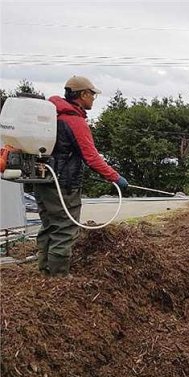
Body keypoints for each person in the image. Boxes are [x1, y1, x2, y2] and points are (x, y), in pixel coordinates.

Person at [34, 75, 128, 277]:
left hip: (43, 180)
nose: (93, 98)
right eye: (92, 94)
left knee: (49, 225)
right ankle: (59, 277)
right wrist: (115, 178)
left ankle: (44, 271)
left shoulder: (54, 116)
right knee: (65, 228)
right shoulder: (74, 121)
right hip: (64, 184)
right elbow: (91, 157)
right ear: (83, 94)